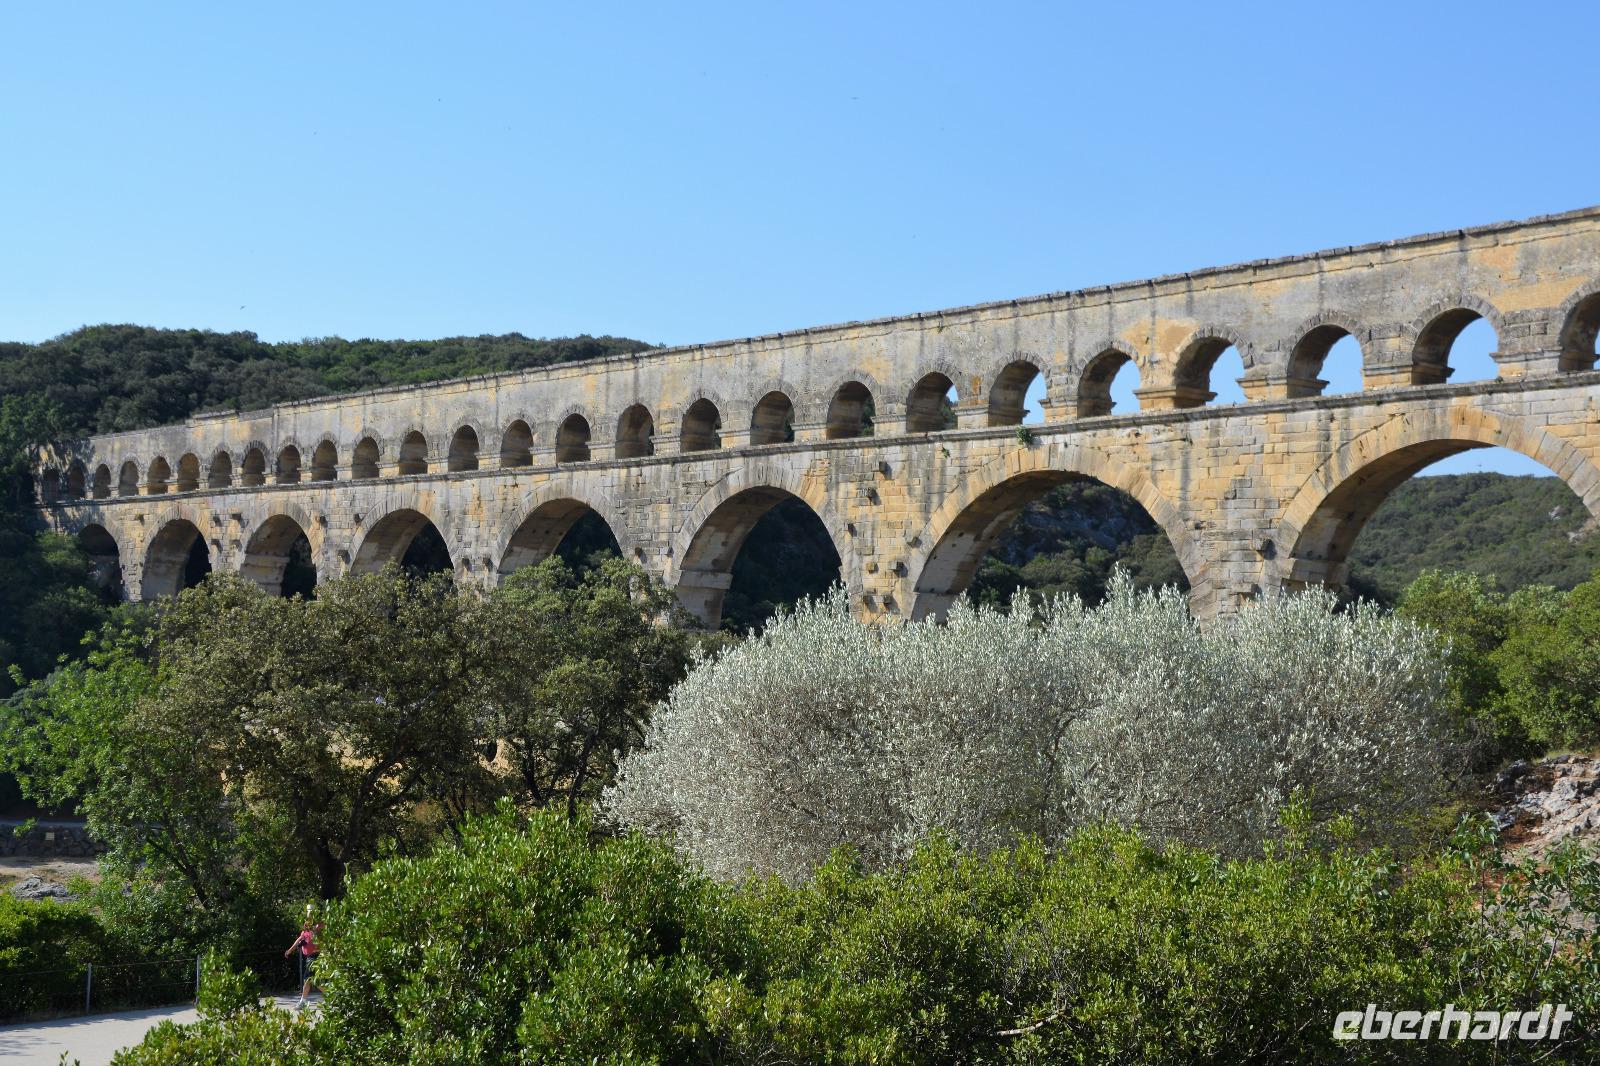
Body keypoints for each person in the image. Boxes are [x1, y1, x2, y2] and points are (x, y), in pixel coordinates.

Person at [284, 908, 323, 1009]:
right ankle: (331, 997)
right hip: (309, 957)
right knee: (311, 980)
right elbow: (300, 939)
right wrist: (290, 950)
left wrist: (313, 931)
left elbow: (322, 939)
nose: (308, 917)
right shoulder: (306, 927)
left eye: (310, 914)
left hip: (316, 956)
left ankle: (303, 1002)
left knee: (309, 979)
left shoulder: (319, 925)